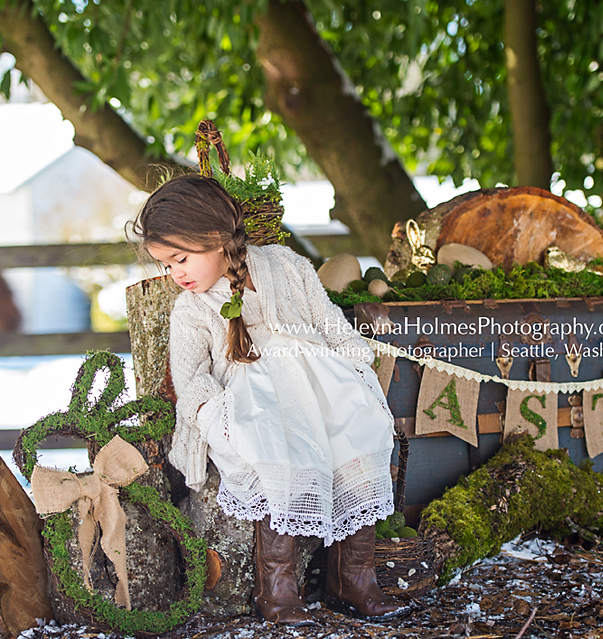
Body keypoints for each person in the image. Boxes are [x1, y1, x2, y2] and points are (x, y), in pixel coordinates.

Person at [130, 174, 407, 625]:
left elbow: (328, 319)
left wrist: (356, 361)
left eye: (181, 259)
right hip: (255, 402)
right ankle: (276, 587)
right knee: (273, 447)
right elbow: (191, 378)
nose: (175, 274)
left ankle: (354, 576)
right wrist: (214, 413)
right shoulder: (192, 309)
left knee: (361, 432)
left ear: (216, 238)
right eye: (166, 265)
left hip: (321, 387)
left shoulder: (284, 264)